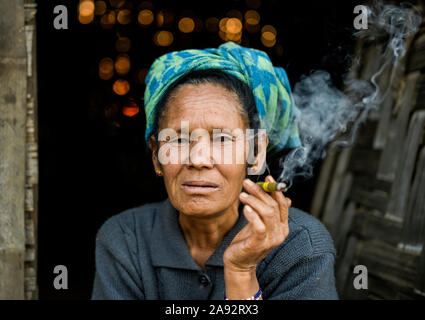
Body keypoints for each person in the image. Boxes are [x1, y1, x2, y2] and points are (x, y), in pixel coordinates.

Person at [91, 42, 338, 300]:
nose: (198, 159)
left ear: (255, 153)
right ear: (156, 155)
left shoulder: (301, 245)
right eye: (178, 139)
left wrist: (241, 272)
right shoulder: (125, 239)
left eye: (222, 139)